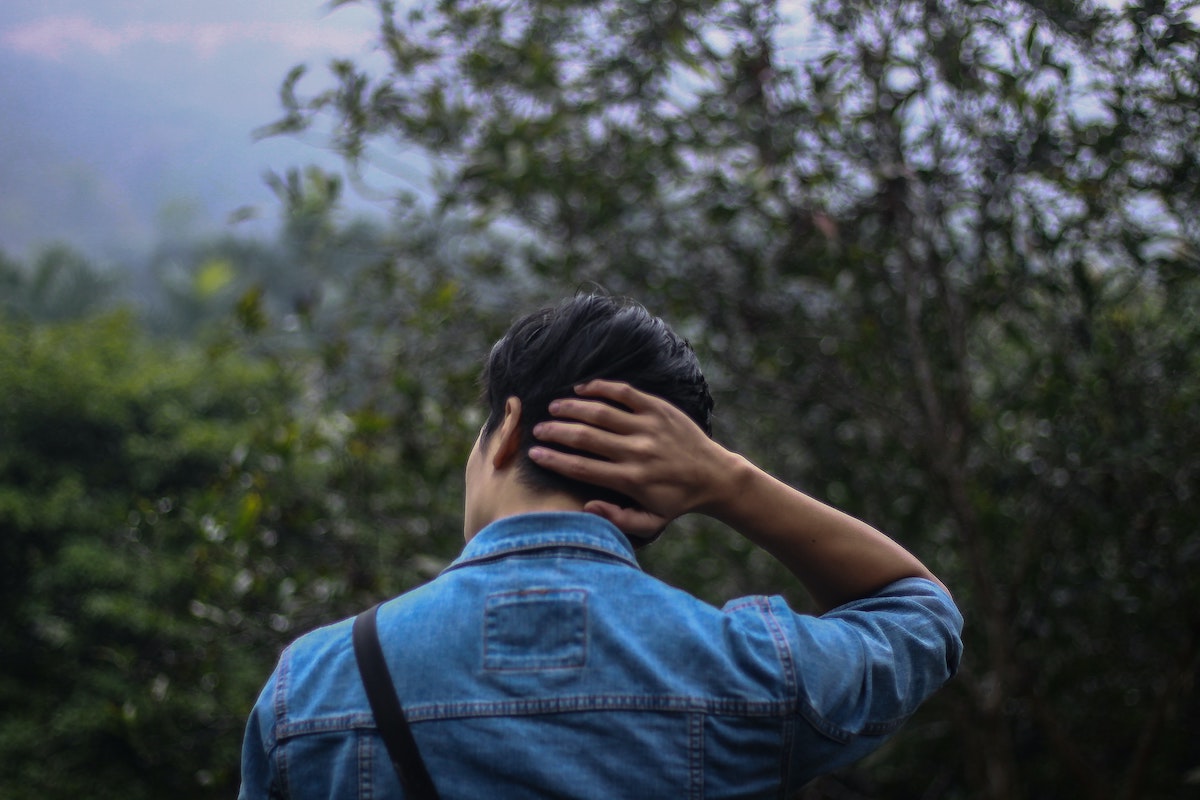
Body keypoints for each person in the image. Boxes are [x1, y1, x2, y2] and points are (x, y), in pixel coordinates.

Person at [238, 293, 963, 799]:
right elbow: (919, 614)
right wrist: (729, 481)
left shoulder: (315, 685)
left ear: (508, 429)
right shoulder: (750, 671)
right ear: (666, 488)